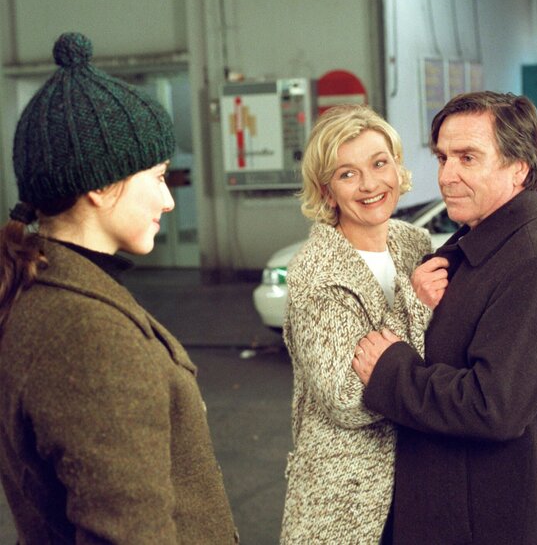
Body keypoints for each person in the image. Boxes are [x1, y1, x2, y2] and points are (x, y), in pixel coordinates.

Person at [0, 33, 238, 543]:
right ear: (99, 185)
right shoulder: (85, 336)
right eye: (157, 176)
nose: (168, 200)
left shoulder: (47, 291)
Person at [352, 91, 537, 544]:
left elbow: (492, 406)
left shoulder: (536, 266)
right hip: (458, 514)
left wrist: (390, 372)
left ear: (519, 168)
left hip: (493, 524)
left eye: (468, 158)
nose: (447, 176)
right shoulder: (478, 243)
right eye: (442, 157)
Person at [279, 105, 432, 543]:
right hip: (346, 500)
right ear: (326, 192)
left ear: (397, 167)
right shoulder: (315, 271)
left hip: (419, 481)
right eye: (347, 174)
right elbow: (346, 399)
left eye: (379, 163)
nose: (369, 184)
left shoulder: (414, 243)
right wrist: (416, 305)